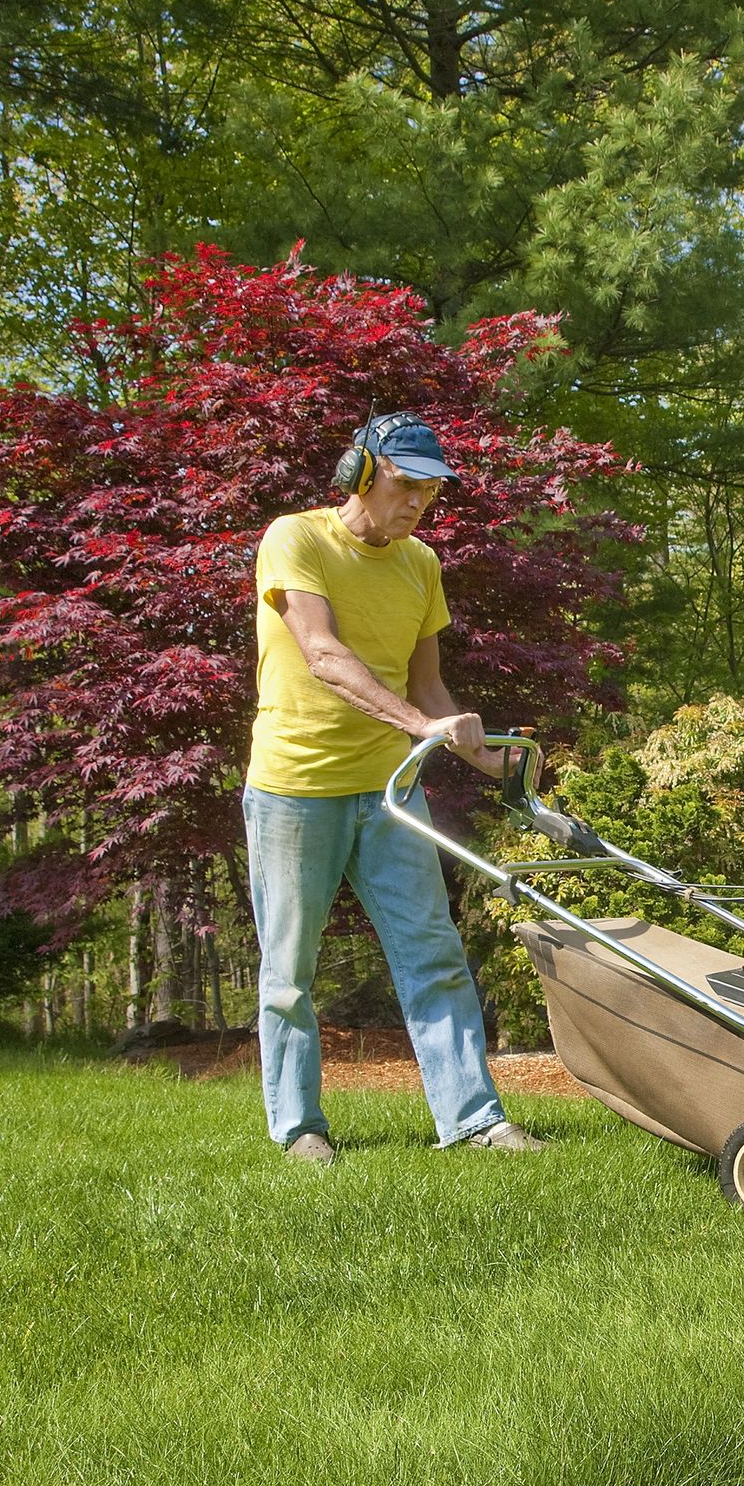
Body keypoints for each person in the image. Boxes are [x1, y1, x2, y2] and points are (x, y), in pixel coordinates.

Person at [241, 411, 543, 1164]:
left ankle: (473, 1120)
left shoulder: (421, 565)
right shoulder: (296, 538)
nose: (416, 503)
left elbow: (430, 687)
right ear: (361, 475)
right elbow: (322, 652)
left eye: (430, 490)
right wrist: (420, 725)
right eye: (405, 484)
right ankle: (301, 1129)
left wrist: (501, 766)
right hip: (294, 786)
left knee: (432, 950)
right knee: (289, 970)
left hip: (389, 791)